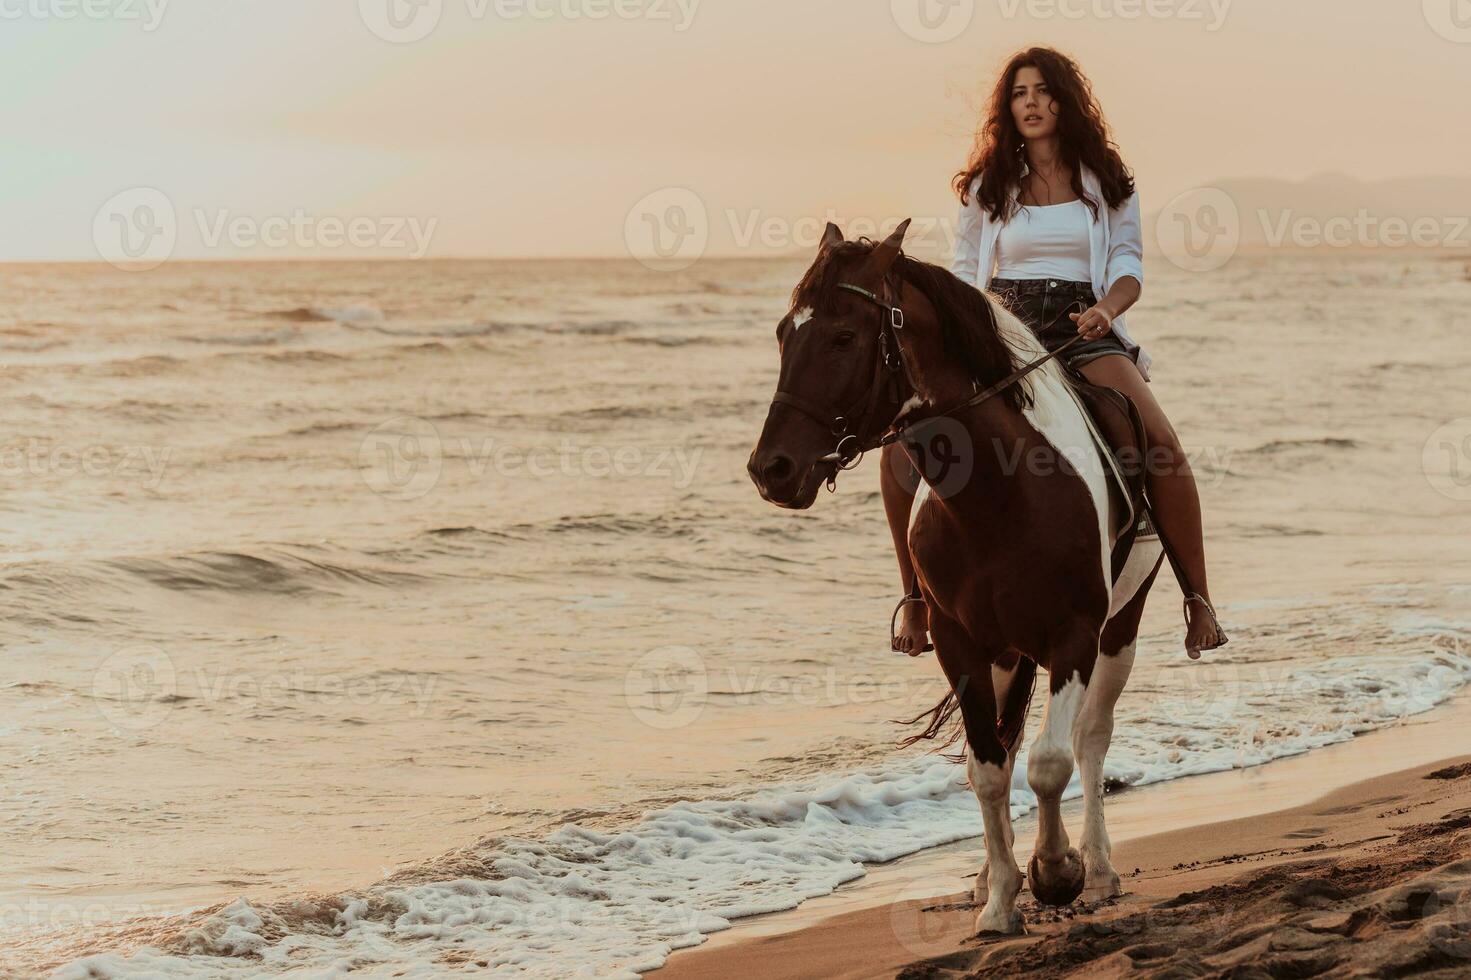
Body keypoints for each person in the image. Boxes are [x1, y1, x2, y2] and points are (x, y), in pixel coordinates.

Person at [884, 46, 1228, 660]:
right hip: (1002, 326)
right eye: (1020, 93)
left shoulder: (1108, 181)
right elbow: (967, 275)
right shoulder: (987, 188)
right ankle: (915, 599)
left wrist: (1106, 312)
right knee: (903, 443)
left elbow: (1128, 267)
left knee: (1159, 440)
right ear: (1007, 106)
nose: (1032, 102)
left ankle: (1197, 597)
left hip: (1082, 325)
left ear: (1064, 100)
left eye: (1043, 90)